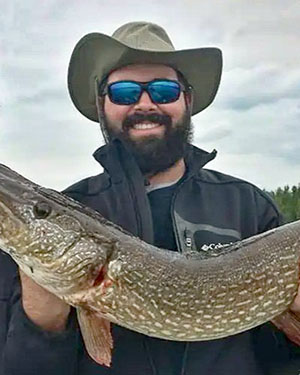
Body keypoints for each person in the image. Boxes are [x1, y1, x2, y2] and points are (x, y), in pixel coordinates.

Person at [0, 21, 300, 375]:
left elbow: (281, 361)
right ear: (103, 105)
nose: (145, 103)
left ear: (186, 100)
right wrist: (41, 324)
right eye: (125, 92)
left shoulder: (248, 207)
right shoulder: (71, 212)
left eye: (163, 90)